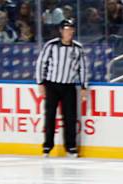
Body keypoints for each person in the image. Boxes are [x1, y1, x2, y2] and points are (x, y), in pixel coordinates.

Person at [35, 19, 88, 158]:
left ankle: (70, 147)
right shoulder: (51, 45)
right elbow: (41, 63)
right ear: (61, 31)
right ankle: (47, 146)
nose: (68, 32)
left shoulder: (78, 48)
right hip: (52, 85)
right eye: (65, 29)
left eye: (71, 29)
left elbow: (83, 68)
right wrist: (40, 83)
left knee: (70, 117)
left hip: (69, 86)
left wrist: (84, 86)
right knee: (50, 116)